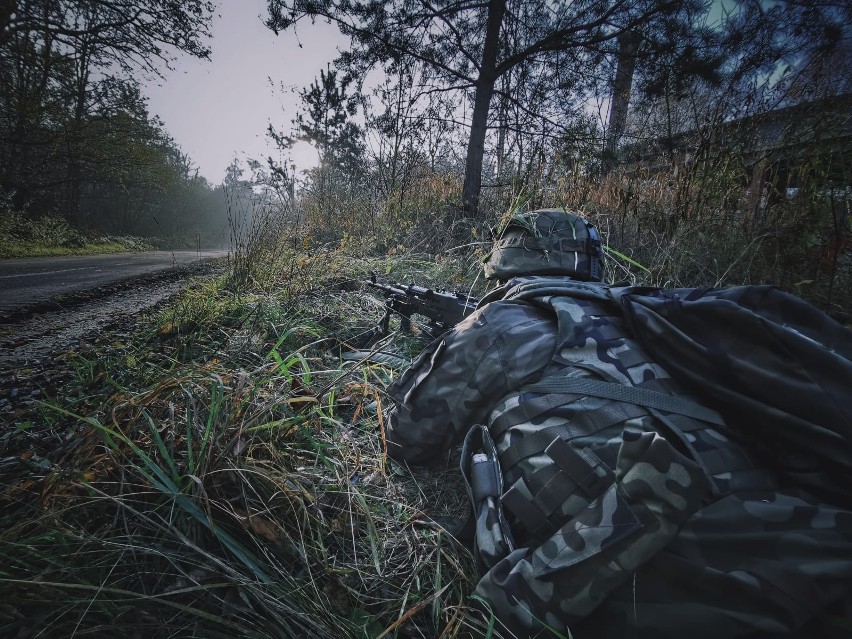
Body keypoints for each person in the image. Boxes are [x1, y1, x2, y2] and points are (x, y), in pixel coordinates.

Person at [385, 209, 852, 638]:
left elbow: (406, 436)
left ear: (507, 263)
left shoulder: (502, 321)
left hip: (669, 565)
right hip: (803, 528)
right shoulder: (660, 320)